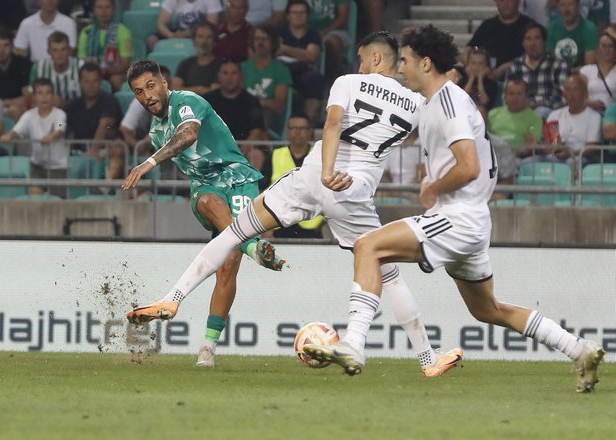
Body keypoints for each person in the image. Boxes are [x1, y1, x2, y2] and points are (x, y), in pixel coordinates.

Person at [124, 32, 463, 378]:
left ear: (374, 59)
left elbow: (332, 124)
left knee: (235, 232)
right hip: (354, 193)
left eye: (361, 58)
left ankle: (174, 297)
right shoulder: (417, 104)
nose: (359, 65)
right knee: (387, 272)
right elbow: (446, 132)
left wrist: (327, 170)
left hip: (315, 176)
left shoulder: (348, 82)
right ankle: (425, 357)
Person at [303, 25, 604, 393]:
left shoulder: (448, 101)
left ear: (425, 63)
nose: (401, 69)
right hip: (471, 219)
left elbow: (469, 166)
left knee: (368, 246)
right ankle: (578, 348)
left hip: (457, 216)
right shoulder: (439, 99)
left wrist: (433, 187)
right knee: (487, 310)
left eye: (408, 62)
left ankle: (353, 344)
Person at [122, 60, 285, 367]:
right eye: (138, 92)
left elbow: (188, 136)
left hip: (238, 177)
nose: (147, 96)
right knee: (207, 202)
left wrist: (148, 164)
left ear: (164, 81)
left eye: (151, 86)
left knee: (228, 267)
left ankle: (207, 349)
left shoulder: (188, 101)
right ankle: (253, 247)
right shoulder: (157, 131)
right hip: (206, 186)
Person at [0, 78, 69, 198]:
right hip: (38, 165)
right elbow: (17, 131)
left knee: (58, 202)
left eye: (48, 93)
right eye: (40, 93)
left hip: (58, 166)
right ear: (35, 97)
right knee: (34, 196)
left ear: (53, 96)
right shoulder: (28, 115)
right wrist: (9, 136)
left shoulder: (60, 114)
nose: (44, 97)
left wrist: (51, 136)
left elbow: (60, 129)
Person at [262, 114, 324, 238]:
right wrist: (263, 225)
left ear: (310, 132)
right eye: (293, 128)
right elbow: (262, 190)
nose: (298, 132)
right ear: (287, 131)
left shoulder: (320, 156)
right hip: (279, 223)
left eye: (302, 128)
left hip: (313, 224)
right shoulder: (275, 155)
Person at [203, 60, 267, 175]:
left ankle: (250, 191)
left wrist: (237, 152)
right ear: (219, 76)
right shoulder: (208, 100)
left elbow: (256, 132)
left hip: (243, 150)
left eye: (234, 73)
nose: (229, 77)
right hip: (215, 148)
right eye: (225, 73)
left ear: (240, 76)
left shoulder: (251, 100)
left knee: (256, 154)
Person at [65, 62, 123, 178]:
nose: (91, 85)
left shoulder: (109, 100)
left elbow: (105, 124)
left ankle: (104, 191)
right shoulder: (73, 104)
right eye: (87, 81)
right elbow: (63, 126)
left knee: (118, 150)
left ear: (101, 82)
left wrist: (92, 152)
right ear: (80, 83)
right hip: (77, 151)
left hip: (103, 150)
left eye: (95, 81)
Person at [506, 22, 570, 118]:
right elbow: (506, 96)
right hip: (520, 111)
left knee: (541, 112)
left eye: (537, 38)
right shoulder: (515, 66)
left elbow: (563, 97)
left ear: (544, 42)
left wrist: (538, 104)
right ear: (523, 44)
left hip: (550, 113)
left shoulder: (559, 64)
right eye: (528, 39)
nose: (532, 43)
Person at [277, 0, 325, 123]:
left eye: (302, 12)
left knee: (315, 78)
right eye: (295, 12)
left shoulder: (313, 35)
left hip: (303, 72)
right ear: (288, 15)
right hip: (282, 70)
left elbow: (311, 56)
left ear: (307, 15)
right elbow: (274, 51)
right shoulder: (279, 33)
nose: (298, 15)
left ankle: (307, 122)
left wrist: (285, 49)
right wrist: (301, 53)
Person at [242, 25, 292, 138]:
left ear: (273, 42)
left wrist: (257, 102)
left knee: (259, 112)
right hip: (242, 115)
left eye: (265, 39)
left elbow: (279, 104)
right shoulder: (243, 68)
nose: (260, 42)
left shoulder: (281, 70)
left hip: (270, 118)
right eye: (257, 39)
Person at [464, 0, 535, 80]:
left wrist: (505, 68)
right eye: (501, 0)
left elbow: (534, 55)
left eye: (509, 1)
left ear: (518, 2)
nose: (506, 4)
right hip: (485, 78)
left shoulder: (529, 26)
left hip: (517, 79)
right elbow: (469, 48)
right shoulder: (487, 25)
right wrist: (470, 66)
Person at [546, 73, 602, 165]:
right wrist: (556, 148)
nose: (571, 94)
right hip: (557, 157)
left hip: (581, 157)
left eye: (576, 89)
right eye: (567, 89)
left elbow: (591, 148)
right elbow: (553, 142)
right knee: (528, 162)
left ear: (585, 93)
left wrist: (570, 153)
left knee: (571, 162)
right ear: (563, 93)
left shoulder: (594, 116)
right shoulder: (554, 115)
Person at [77, 0, 133, 92]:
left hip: (113, 73)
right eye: (99, 7)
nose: (103, 11)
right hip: (89, 73)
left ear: (113, 10)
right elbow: (81, 61)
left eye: (107, 7)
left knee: (116, 79)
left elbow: (125, 64)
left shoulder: (123, 31)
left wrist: (107, 71)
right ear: (94, 10)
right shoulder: (86, 32)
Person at [0, 27, 33, 122]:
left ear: (12, 46)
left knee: (15, 110)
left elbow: (29, 98)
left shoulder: (24, 64)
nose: (1, 50)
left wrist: (6, 102)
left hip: (18, 108)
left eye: (6, 45)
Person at [487, 79, 544, 158]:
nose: (515, 98)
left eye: (519, 94)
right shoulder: (492, 114)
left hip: (519, 158)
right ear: (505, 96)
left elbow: (531, 145)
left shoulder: (535, 117)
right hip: (493, 156)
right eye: (511, 94)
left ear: (526, 97)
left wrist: (511, 154)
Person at [30, 31, 83, 108]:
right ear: (48, 51)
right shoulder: (39, 68)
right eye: (55, 50)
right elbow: (31, 96)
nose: (59, 54)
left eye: (63, 49)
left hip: (77, 112)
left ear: (69, 50)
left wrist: (65, 103)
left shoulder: (81, 66)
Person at [147, 0, 222, 52]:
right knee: (152, 39)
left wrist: (187, 33)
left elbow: (211, 24)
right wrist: (171, 35)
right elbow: (160, 23)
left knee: (205, 37)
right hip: (181, 30)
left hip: (203, 31)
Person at [170, 21, 221, 95]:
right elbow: (174, 88)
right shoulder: (185, 64)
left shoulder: (221, 66)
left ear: (214, 42)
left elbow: (218, 90)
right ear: (194, 41)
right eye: (200, 37)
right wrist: (199, 89)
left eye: (209, 37)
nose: (204, 42)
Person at [546, 0, 599, 68]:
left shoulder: (590, 29)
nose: (566, 9)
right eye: (562, 5)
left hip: (581, 75)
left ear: (578, 6)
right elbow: (549, 61)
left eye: (570, 4)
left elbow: (589, 66)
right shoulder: (550, 29)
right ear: (558, 8)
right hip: (556, 74)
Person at [579, 30, 616, 114]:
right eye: (604, 46)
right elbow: (575, 96)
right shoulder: (586, 70)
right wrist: (589, 103)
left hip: (612, 115)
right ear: (598, 49)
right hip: (589, 113)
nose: (607, 50)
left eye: (611, 46)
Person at [459, 46, 499, 119]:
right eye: (473, 63)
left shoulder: (491, 84)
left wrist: (480, 80)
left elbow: (484, 101)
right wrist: (471, 79)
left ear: (487, 66)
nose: (476, 67)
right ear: (468, 65)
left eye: (481, 64)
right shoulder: (462, 82)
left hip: (482, 116)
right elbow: (460, 100)